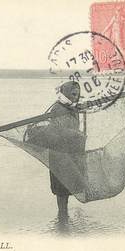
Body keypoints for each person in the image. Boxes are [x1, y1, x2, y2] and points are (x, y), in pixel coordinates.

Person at [48, 81, 84, 220]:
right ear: (66, 93)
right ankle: (62, 215)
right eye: (73, 94)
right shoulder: (58, 108)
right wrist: (76, 135)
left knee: (68, 185)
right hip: (59, 153)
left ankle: (64, 214)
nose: (76, 97)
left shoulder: (71, 107)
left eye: (78, 94)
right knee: (61, 188)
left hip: (70, 151)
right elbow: (58, 130)